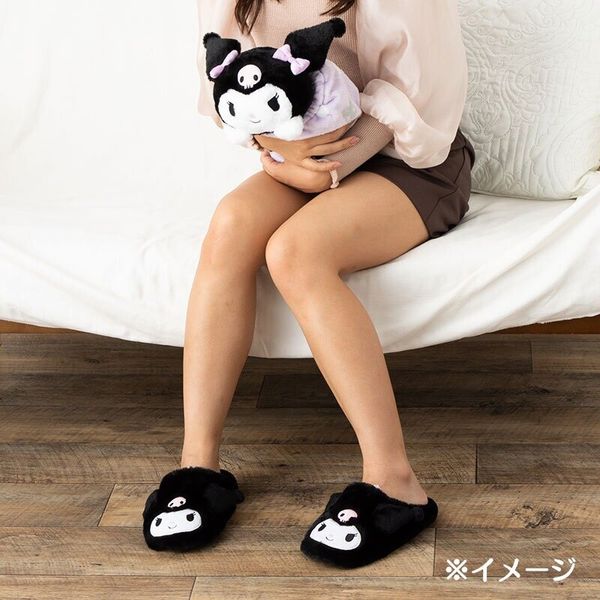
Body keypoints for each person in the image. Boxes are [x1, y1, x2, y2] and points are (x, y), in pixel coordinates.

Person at [142, 0, 476, 568]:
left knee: (295, 253)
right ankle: (199, 466)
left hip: (407, 158)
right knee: (230, 226)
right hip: (296, 158)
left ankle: (395, 481)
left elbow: (423, 96)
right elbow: (232, 83)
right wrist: (274, 154)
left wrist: (326, 167)